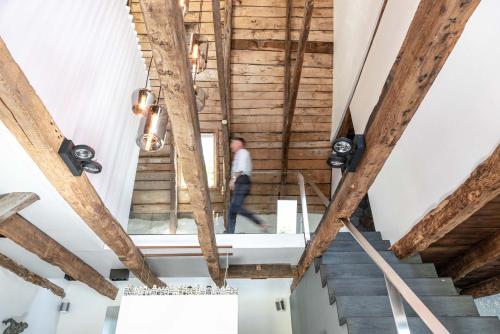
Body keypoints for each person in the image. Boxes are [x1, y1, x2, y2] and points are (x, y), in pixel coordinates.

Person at [226, 137, 269, 234]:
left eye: (233, 143)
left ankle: (260, 223)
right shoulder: (238, 154)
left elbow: (240, 169)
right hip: (240, 182)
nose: (231, 145)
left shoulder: (243, 152)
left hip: (242, 181)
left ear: (239, 144)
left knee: (235, 207)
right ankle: (229, 232)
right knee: (232, 209)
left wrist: (233, 180)